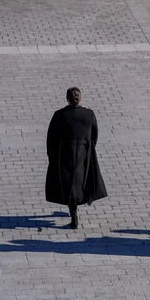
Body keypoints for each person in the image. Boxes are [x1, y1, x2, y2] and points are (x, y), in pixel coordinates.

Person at [45, 87, 108, 229]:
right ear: (80, 98)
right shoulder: (89, 114)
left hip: (64, 154)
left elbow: (51, 138)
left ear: (67, 99)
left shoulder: (59, 115)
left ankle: (73, 212)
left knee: (68, 185)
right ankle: (77, 208)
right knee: (81, 182)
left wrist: (52, 156)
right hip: (84, 153)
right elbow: (94, 136)